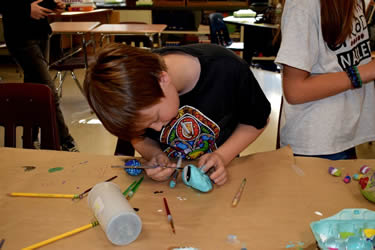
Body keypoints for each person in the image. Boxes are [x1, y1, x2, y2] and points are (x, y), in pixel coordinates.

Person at [84, 43, 271, 185]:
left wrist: (222, 155)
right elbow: (137, 137)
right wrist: (154, 153)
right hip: (169, 188)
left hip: (221, 179)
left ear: (162, 79)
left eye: (155, 118)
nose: (157, 128)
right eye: (147, 126)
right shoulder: (138, 93)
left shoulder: (227, 70)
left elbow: (256, 120)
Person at [275, 0, 375, 160]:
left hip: (345, 135)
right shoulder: (302, 5)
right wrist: (364, 72)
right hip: (316, 144)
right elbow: (295, 90)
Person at [0, 0, 79, 151]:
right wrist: (26, 9)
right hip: (20, 35)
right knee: (48, 91)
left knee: (35, 88)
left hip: (41, 33)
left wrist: (53, 5)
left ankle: (30, 139)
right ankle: (66, 141)